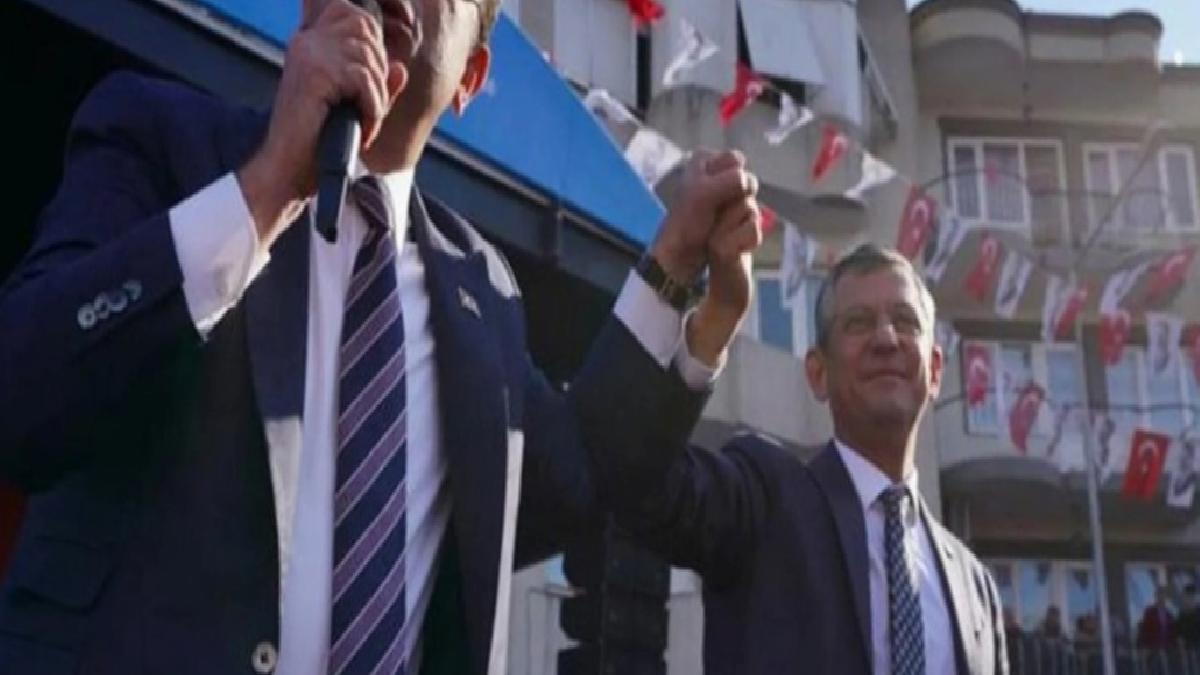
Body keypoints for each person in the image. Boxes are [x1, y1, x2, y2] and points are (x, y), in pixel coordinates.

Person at [0, 0, 765, 672]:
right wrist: (267, 188)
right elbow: (24, 392)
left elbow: (581, 466)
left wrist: (676, 271)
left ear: (470, 78)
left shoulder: (481, 289)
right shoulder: (161, 140)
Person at [620, 244, 1008, 674]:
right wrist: (703, 327)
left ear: (935, 371)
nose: (886, 339)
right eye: (858, 323)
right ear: (818, 373)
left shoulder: (975, 589)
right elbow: (632, 475)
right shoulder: (763, 504)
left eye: (905, 321)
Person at [1174, 583, 1200, 648]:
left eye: (1191, 597)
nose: (1188, 600)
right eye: (1186, 597)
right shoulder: (1181, 615)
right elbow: (1178, 633)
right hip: (1187, 648)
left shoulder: (1197, 613)